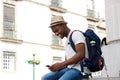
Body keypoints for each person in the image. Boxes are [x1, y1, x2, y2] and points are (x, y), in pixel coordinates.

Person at [41, 15, 90, 80]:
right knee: (45, 78)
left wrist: (61, 64)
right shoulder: (67, 40)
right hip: (69, 69)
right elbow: (67, 62)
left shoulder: (76, 34)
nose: (56, 34)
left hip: (80, 70)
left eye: (57, 30)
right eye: (54, 32)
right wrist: (56, 67)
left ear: (63, 25)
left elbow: (80, 55)